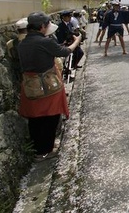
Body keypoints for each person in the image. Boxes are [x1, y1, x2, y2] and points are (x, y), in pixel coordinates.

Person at [17, 11, 81, 161]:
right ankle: (45, 151)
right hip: (48, 85)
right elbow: (66, 52)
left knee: (35, 119)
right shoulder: (45, 42)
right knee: (50, 118)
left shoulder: (22, 43)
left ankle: (37, 150)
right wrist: (77, 41)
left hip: (29, 85)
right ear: (42, 27)